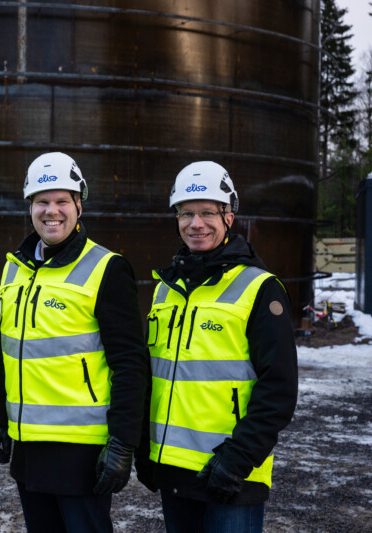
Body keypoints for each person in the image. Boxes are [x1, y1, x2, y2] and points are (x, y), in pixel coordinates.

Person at [0, 152, 148, 533]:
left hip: (82, 451)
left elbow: (130, 364)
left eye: (62, 201)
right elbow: (10, 351)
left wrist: (124, 443)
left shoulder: (107, 268)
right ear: (30, 208)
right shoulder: (15, 268)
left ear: (79, 205)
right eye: (42, 202)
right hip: (29, 446)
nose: (51, 211)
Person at [135, 161, 298, 532]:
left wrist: (238, 461)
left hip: (231, 476)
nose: (196, 223)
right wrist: (145, 449)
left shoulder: (259, 289)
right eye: (186, 213)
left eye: (208, 212)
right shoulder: (166, 289)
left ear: (229, 215)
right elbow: (154, 376)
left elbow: (280, 389)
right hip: (175, 471)